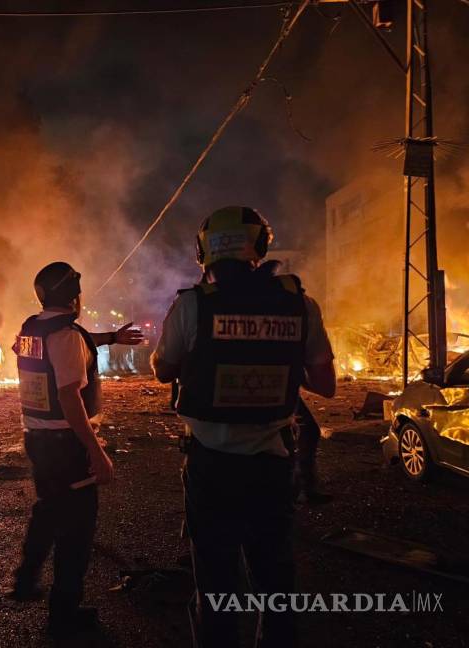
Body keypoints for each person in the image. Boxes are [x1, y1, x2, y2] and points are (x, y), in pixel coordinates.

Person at [151, 206, 336, 648]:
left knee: (215, 580)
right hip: (272, 463)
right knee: (275, 576)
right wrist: (276, 356)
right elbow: (325, 385)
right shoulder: (300, 304)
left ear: (203, 252)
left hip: (211, 464)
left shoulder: (192, 305)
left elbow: (162, 369)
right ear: (260, 246)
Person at [8, 261, 143, 638]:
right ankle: (63, 616)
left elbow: (71, 343)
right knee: (76, 532)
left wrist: (112, 337)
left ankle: (25, 579)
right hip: (66, 445)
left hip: (37, 438)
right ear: (74, 297)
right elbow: (69, 395)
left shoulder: (32, 329)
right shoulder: (65, 336)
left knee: (48, 509)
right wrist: (95, 450)